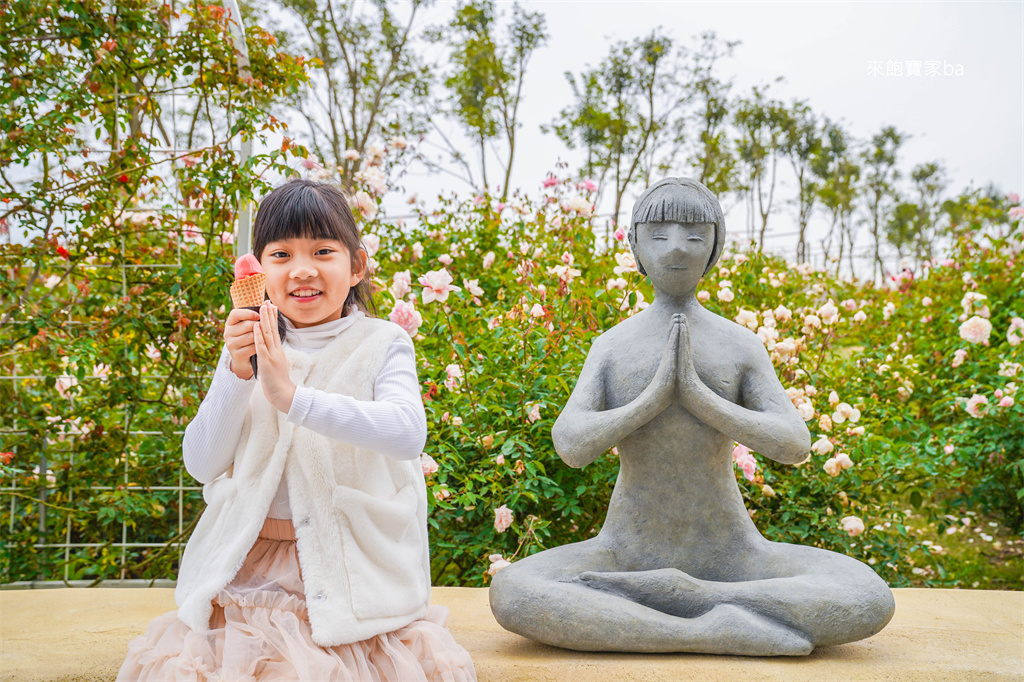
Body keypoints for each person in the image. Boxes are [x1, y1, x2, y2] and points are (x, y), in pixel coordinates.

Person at [488, 178, 894, 656]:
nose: (677, 249)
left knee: (866, 595)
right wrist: (649, 402)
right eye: (658, 236)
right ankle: (709, 630)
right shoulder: (612, 347)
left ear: (714, 247)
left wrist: (704, 401)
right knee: (513, 591)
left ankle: (702, 597)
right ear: (635, 246)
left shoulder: (740, 344)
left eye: (695, 235)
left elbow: (793, 443)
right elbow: (572, 445)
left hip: (734, 553)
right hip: (624, 551)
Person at [118, 179, 477, 681]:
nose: (303, 269)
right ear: (260, 272)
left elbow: (406, 432)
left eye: (323, 251)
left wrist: (292, 398)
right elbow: (201, 462)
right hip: (248, 573)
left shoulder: (382, 342)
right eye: (281, 254)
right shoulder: (246, 347)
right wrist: (235, 373)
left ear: (356, 266)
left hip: (351, 572)